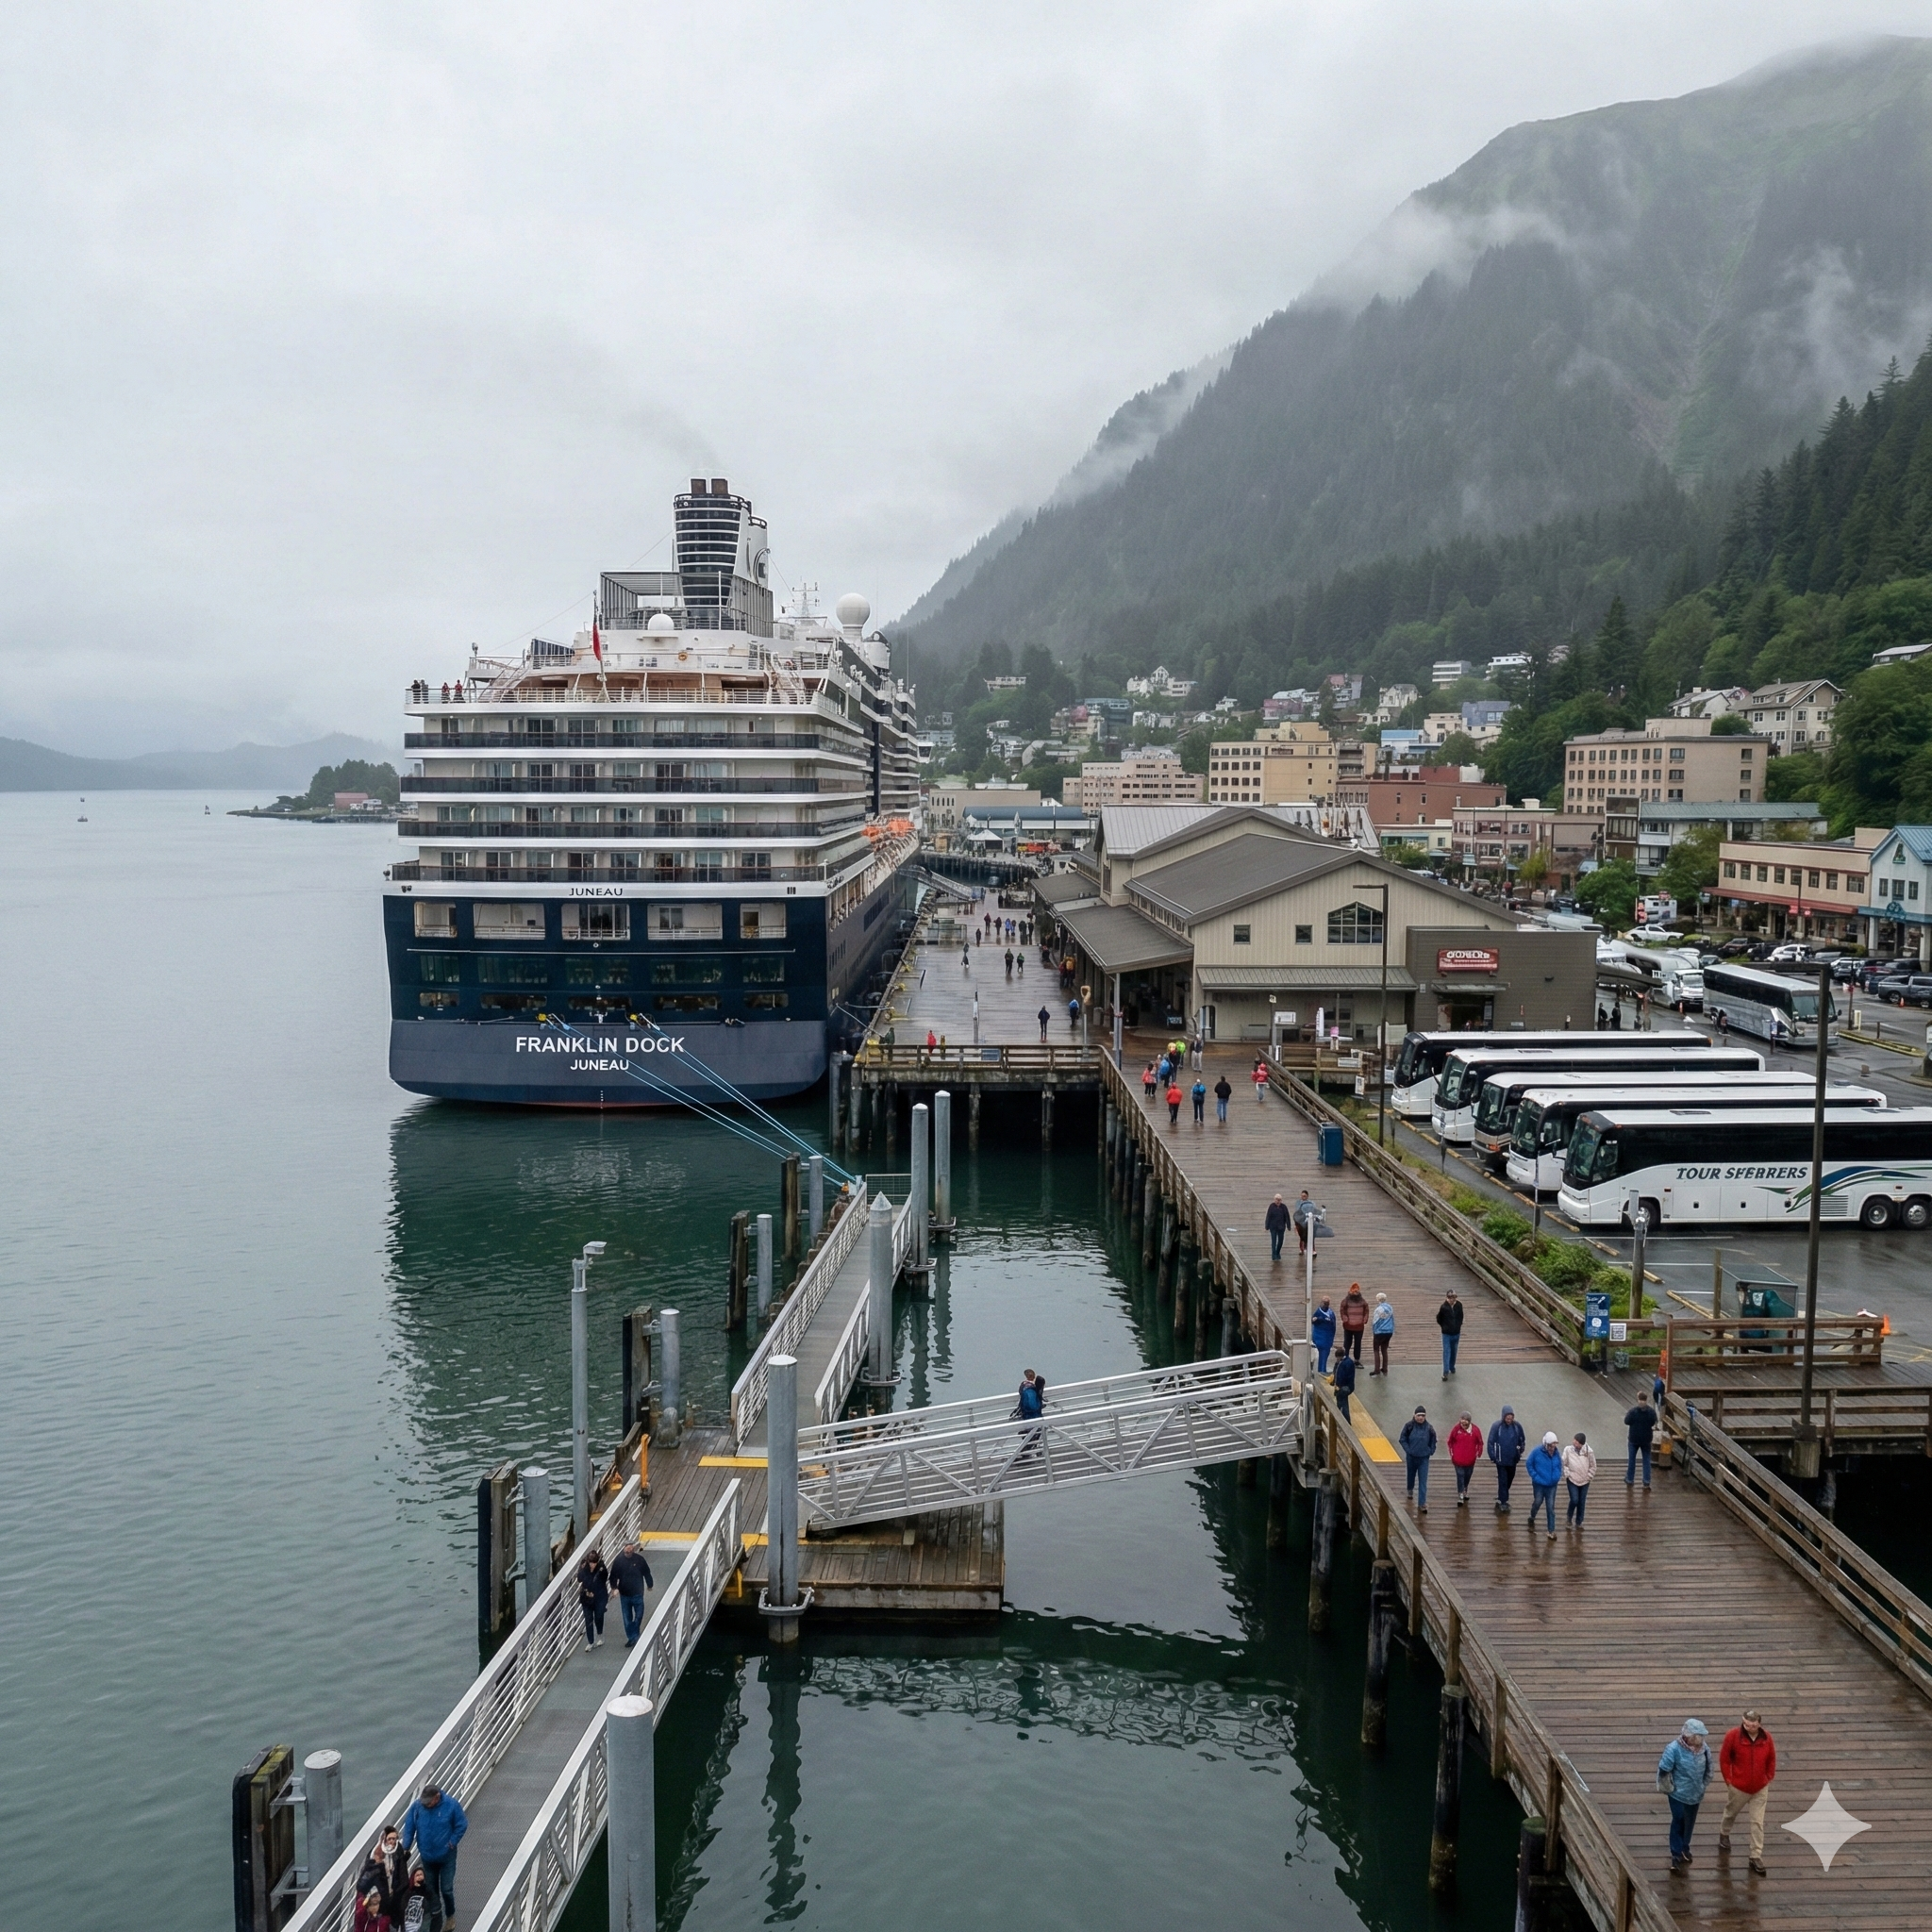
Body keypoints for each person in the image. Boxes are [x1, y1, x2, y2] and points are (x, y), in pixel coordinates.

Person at [399, 1782, 468, 1932]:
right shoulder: (417, 1807)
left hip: (446, 1856)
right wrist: (405, 1847)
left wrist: (452, 1842)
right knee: (431, 1889)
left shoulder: (451, 1805)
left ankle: (450, 1916)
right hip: (427, 1857)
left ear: (437, 1797)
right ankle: (436, 1919)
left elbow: (461, 1824)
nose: (425, 1805)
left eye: (428, 1802)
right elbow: (409, 1828)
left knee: (446, 1889)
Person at [1716, 1709, 1776, 1875]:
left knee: (1757, 1822)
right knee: (1730, 1813)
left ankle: (1755, 1855)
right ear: (1743, 1722)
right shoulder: (1732, 1736)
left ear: (1759, 1723)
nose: (1750, 1727)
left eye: (1754, 1724)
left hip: (1760, 1788)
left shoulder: (1767, 1738)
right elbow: (1724, 1759)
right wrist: (1729, 1780)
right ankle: (1724, 1833)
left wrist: (1768, 1777)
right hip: (1739, 1787)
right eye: (1747, 1724)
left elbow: (1771, 1758)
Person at [1657, 1719, 1715, 1873]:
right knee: (1679, 1819)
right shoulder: (1673, 1749)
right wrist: (1669, 1787)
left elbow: (1709, 1768)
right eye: (1698, 1736)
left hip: (1695, 1794)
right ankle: (1675, 1852)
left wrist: (1704, 1784)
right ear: (1689, 1735)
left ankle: (1684, 1847)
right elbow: (1664, 1769)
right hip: (1677, 1794)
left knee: (1689, 1822)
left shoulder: (1705, 1749)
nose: (1701, 1739)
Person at [609, 1535, 657, 1646]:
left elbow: (646, 1572)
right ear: (623, 1548)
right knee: (627, 1618)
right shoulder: (618, 1561)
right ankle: (633, 1637)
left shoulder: (639, 1560)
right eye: (626, 1547)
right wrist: (614, 1588)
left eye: (630, 1547)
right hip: (624, 1595)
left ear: (633, 1549)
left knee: (639, 1615)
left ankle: (635, 1634)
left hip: (637, 1594)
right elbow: (613, 1576)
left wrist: (650, 1585)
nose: (628, 1550)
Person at [358, 1825, 407, 1927]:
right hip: (380, 1897)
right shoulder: (376, 1853)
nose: (392, 1842)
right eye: (390, 1839)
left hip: (394, 1893)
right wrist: (378, 1864)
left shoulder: (398, 1850)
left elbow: (402, 1871)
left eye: (394, 1838)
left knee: (391, 1921)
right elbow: (363, 1881)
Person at [1525, 1430, 1564, 1540]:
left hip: (1552, 1485)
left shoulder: (1557, 1453)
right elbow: (1529, 1464)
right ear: (1546, 1444)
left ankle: (1551, 1531)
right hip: (1539, 1484)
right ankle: (1532, 1517)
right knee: (1537, 1502)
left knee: (1550, 1508)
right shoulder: (1536, 1452)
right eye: (1551, 1446)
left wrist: (1557, 1476)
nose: (1553, 1448)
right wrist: (1535, 1476)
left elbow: (1559, 1466)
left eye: (1554, 1445)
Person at [1487, 1404, 1525, 1511]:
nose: (1509, 1420)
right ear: (1503, 1416)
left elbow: (1522, 1439)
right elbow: (1490, 1442)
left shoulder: (1517, 1426)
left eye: (1511, 1417)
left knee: (1510, 1478)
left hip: (1513, 1459)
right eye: (1507, 1417)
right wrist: (1492, 1456)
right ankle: (1504, 1502)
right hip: (1501, 1460)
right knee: (1503, 1480)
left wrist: (1520, 1451)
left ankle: (1502, 1495)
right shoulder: (1497, 1426)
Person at [1398, 1406, 1437, 1512]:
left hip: (1424, 1458)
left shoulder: (1429, 1428)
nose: (1421, 1418)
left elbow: (1433, 1440)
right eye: (1419, 1415)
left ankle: (1422, 1503)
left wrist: (1431, 1451)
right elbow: (1402, 1439)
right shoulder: (1409, 1426)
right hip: (1411, 1457)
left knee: (1423, 1481)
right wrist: (1408, 1450)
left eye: (1423, 1416)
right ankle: (1410, 1489)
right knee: (1411, 1476)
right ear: (1414, 1415)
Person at [1562, 1431, 1597, 1529]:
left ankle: (1579, 1521)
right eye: (1574, 1440)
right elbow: (1563, 1463)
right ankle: (1569, 1518)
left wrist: (1589, 1476)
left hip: (1585, 1481)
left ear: (1581, 1444)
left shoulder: (1589, 1452)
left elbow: (1593, 1466)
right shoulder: (1568, 1450)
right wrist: (1567, 1474)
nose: (1574, 1443)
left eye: (1577, 1442)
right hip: (1572, 1480)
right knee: (1574, 1499)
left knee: (1582, 1501)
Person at [1448, 1410, 1483, 1506]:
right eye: (1462, 1419)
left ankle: (1465, 1489)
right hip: (1458, 1460)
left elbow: (1480, 1442)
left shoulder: (1475, 1430)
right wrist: (1452, 1454)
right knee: (1460, 1475)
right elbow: (1450, 1441)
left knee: (1467, 1475)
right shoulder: (1456, 1429)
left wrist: (1479, 1452)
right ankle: (1460, 1494)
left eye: (1466, 1420)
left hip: (1470, 1460)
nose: (1464, 1422)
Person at [578, 1546, 610, 1647]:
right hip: (586, 1597)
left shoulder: (601, 1568)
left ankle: (600, 1634)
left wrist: (594, 1591)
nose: (592, 1565)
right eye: (591, 1563)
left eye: (594, 1563)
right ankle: (590, 1642)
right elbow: (579, 1579)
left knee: (598, 1617)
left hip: (599, 1597)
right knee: (588, 1619)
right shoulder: (584, 1567)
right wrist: (582, 1569)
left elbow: (603, 1580)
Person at [1624, 1393, 1657, 1489]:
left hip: (1634, 1439)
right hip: (1646, 1439)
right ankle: (1646, 1481)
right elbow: (1653, 1422)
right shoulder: (1651, 1412)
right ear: (1646, 1400)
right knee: (1646, 1460)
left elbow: (1626, 1421)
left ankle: (1630, 1479)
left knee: (1632, 1460)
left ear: (1638, 1399)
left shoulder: (1633, 1412)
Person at [1436, 1287, 1464, 1378]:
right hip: (1446, 1334)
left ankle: (1452, 1366)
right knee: (1447, 1351)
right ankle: (1445, 1371)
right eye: (1450, 1298)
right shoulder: (1444, 1307)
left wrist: (1458, 1325)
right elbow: (1439, 1319)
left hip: (1456, 1333)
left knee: (1454, 1351)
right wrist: (1444, 1327)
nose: (1452, 1300)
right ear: (1447, 1298)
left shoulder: (1459, 1305)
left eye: (1454, 1298)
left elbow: (1461, 1317)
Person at [1339, 1283, 1369, 1360]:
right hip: (1351, 1326)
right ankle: (1348, 1357)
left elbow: (1366, 1311)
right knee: (1349, 1343)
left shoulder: (1347, 1301)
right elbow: (1343, 1311)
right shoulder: (1362, 1301)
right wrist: (1345, 1320)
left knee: (1354, 1343)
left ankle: (1353, 1358)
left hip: (1356, 1326)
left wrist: (1364, 1320)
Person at [1370, 1293, 1395, 1375]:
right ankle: (1385, 1368)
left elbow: (1375, 1321)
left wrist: (1374, 1330)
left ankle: (1377, 1369)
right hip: (1389, 1331)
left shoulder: (1378, 1309)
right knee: (1384, 1349)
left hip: (1379, 1332)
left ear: (1378, 1299)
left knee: (1376, 1349)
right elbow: (1392, 1319)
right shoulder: (1390, 1308)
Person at [1332, 1345, 1357, 1421]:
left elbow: (1340, 1376)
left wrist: (1335, 1384)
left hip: (1343, 1387)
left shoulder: (1343, 1364)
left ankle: (1343, 1420)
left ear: (1339, 1356)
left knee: (1342, 1404)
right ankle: (1345, 1420)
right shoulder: (1349, 1362)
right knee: (1344, 1402)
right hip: (1349, 1386)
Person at [1265, 1193, 1291, 1262]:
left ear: (1281, 1200)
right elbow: (1268, 1216)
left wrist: (1288, 1226)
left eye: (1279, 1200)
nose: (1278, 1201)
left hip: (1281, 1227)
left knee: (1280, 1241)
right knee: (1273, 1241)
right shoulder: (1271, 1206)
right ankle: (1273, 1255)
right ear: (1274, 1200)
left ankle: (1277, 1252)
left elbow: (1287, 1217)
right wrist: (1266, 1226)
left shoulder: (1284, 1207)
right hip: (1273, 1227)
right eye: (1276, 1199)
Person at [1294, 1190, 1314, 1256]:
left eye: (1305, 1196)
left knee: (1311, 1236)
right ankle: (1301, 1248)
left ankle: (1312, 1249)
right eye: (1302, 1196)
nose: (1303, 1197)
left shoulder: (1311, 1203)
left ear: (1307, 1196)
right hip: (1301, 1222)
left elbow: (1314, 1211)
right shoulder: (1298, 1203)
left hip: (1309, 1221)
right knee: (1302, 1236)